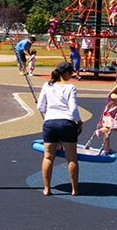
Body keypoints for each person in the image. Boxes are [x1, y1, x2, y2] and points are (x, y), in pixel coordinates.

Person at [36, 62, 82, 196]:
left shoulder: (47, 85)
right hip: (66, 123)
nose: (71, 76)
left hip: (50, 123)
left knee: (48, 157)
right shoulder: (71, 87)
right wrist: (79, 122)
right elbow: (73, 108)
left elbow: (40, 107)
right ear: (66, 73)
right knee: (71, 158)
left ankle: (46, 188)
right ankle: (74, 189)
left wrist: (46, 110)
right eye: (71, 73)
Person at [94, 83, 117, 155]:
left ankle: (107, 148)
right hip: (108, 116)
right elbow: (114, 97)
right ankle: (99, 130)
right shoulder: (113, 95)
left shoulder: (116, 96)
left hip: (111, 116)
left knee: (107, 133)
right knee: (114, 128)